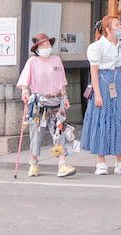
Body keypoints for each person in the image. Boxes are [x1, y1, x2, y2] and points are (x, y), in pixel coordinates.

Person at [81, 15, 121, 175]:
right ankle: (101, 162)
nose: (120, 28)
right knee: (102, 119)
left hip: (117, 83)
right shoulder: (97, 47)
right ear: (107, 29)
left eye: (119, 25)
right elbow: (94, 72)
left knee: (120, 119)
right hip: (103, 83)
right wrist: (97, 94)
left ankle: (120, 161)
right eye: (116, 25)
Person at [16, 33, 76, 178]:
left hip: (56, 101)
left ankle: (62, 164)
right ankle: (34, 163)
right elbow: (25, 80)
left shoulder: (56, 60)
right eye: (42, 46)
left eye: (48, 45)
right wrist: (25, 91)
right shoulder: (32, 62)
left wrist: (65, 97)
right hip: (39, 103)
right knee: (36, 135)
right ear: (37, 49)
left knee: (59, 133)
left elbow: (61, 81)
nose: (46, 47)